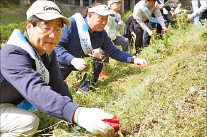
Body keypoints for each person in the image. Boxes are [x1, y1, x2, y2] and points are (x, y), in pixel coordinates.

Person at [0, 1, 120, 136]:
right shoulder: (13, 54)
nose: (53, 35)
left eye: (58, 29)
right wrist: (77, 114)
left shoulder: (47, 54)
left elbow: (58, 85)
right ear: (29, 27)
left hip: (6, 104)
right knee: (28, 122)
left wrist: (76, 119)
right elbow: (35, 89)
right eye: (46, 28)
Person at [55, 2, 147, 93]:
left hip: (82, 61)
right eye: (101, 18)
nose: (104, 23)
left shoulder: (101, 34)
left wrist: (133, 60)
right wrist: (72, 60)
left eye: (106, 19)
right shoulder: (72, 24)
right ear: (90, 16)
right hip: (61, 62)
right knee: (53, 87)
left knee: (97, 63)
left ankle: (84, 90)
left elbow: (114, 52)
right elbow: (57, 47)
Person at [99, 0, 131, 77]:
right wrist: (109, 41)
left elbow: (118, 30)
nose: (118, 5)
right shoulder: (108, 14)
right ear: (110, 5)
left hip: (114, 36)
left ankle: (127, 57)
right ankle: (104, 68)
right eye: (116, 3)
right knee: (104, 53)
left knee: (125, 41)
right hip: (106, 37)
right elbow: (107, 29)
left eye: (119, 3)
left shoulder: (118, 15)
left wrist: (121, 25)